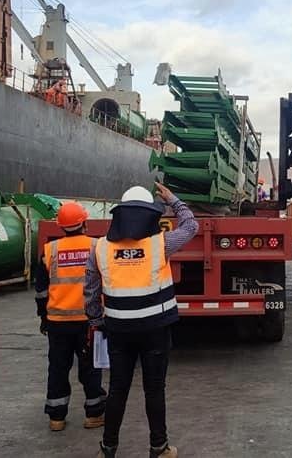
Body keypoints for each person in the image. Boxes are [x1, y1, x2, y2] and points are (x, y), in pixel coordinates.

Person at [85, 182, 199, 458]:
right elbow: (191, 226)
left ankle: (108, 448)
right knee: (154, 389)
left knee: (118, 389)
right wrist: (173, 200)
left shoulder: (100, 248)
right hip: (155, 330)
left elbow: (90, 291)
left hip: (118, 330)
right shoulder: (160, 244)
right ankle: (159, 447)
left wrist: (96, 320)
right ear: (150, 215)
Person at [34, 201, 107, 432]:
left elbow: (41, 291)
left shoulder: (50, 250)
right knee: (90, 368)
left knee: (58, 368)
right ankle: (94, 415)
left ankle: (56, 418)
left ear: (61, 226)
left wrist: (43, 318)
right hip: (88, 321)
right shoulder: (96, 246)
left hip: (57, 322)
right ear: (84, 223)